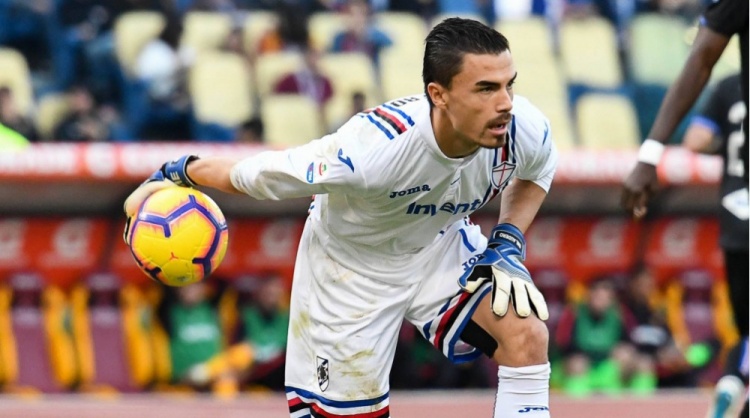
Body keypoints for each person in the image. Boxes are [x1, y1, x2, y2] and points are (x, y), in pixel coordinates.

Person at [124, 18, 558, 417]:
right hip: (350, 272)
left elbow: (538, 171)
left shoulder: (521, 127)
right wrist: (178, 171)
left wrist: (507, 240)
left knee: (527, 336)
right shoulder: (370, 150)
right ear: (438, 94)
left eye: (509, 85)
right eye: (486, 89)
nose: (505, 103)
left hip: (437, 247)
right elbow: (256, 175)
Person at [621, 1, 748, 416]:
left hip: (739, 211)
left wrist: (651, 152)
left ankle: (733, 381)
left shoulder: (727, 89)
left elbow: (701, 62)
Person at [682, 72, 748, 418]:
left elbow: (695, 140)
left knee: (746, 330)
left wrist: (727, 147)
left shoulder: (728, 86)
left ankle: (730, 383)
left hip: (736, 220)